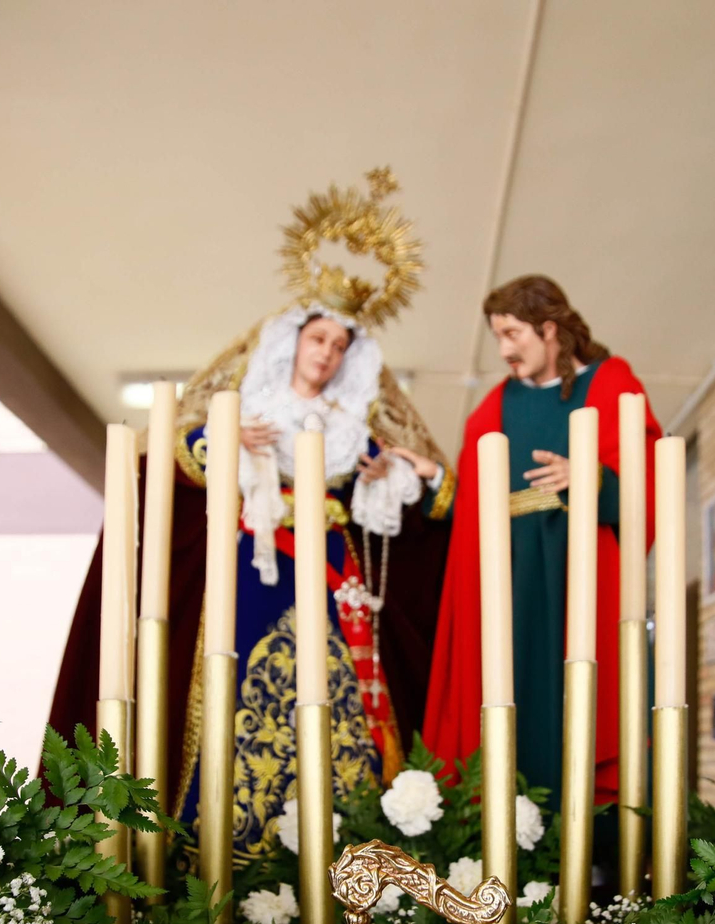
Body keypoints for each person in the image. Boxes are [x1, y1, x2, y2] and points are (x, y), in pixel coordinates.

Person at [49, 171, 453, 860]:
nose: (325, 356)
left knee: (341, 696)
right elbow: (182, 454)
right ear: (295, 339)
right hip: (252, 566)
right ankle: (214, 841)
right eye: (318, 340)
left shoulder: (352, 423)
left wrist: (412, 476)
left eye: (339, 348)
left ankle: (347, 845)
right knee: (232, 687)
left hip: (329, 567)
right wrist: (228, 441)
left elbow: (405, 501)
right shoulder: (251, 404)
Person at [423, 275, 662, 804]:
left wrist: (589, 478)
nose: (504, 350)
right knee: (513, 699)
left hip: (577, 572)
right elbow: (470, 507)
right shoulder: (494, 406)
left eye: (512, 333)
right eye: (498, 337)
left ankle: (592, 845)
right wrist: (433, 481)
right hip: (510, 581)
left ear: (548, 328)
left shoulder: (610, 382)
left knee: (578, 701)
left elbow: (646, 479)